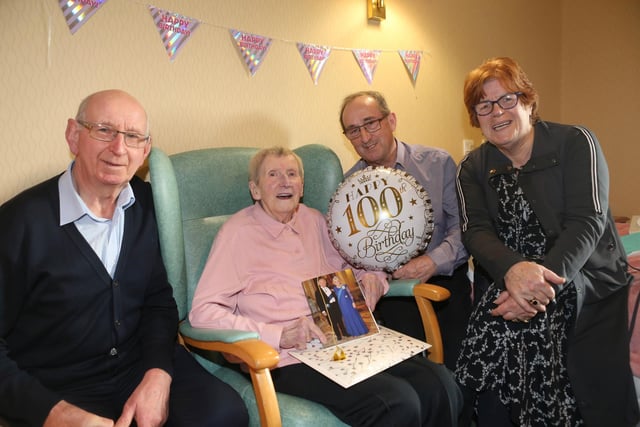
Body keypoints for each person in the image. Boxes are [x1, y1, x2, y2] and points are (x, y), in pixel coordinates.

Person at [0, 90, 249, 427]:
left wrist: (158, 374)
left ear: (144, 151)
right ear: (74, 135)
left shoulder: (147, 206)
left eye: (132, 137)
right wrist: (60, 415)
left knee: (224, 415)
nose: (119, 148)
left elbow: (159, 302)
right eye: (103, 130)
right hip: (55, 386)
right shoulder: (18, 223)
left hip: (139, 364)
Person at [190, 146, 462, 426]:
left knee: (439, 383)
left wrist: (373, 278)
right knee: (396, 402)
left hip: (345, 338)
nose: (285, 181)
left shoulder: (316, 220)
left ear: (302, 186)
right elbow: (203, 312)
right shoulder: (236, 234)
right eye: (273, 174)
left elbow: (359, 265)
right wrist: (277, 334)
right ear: (255, 189)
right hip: (289, 357)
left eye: (292, 174)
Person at [455, 56, 639, 427]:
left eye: (507, 99)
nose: (497, 112)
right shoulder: (472, 167)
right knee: (485, 349)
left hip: (581, 277)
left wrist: (539, 287)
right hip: (508, 280)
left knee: (556, 347)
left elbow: (588, 220)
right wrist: (514, 273)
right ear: (476, 117)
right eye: (484, 105)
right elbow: (475, 232)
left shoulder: (576, 142)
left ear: (528, 100)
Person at [339, 90, 471, 369]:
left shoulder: (437, 163)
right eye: (353, 130)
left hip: (444, 279)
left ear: (391, 120)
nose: (364, 137)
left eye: (371, 123)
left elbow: (464, 227)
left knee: (460, 370)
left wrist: (432, 262)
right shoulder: (350, 187)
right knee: (414, 372)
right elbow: (349, 252)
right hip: (392, 291)